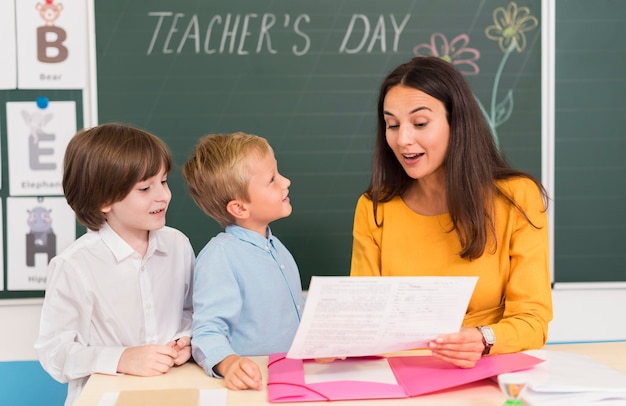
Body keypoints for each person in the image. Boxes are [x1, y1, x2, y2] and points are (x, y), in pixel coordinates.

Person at [350, 56, 553, 368]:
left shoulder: (517, 198)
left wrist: (483, 338)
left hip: (486, 370)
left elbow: (532, 319)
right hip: (400, 374)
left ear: (456, 123)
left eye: (419, 124)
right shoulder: (374, 208)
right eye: (392, 124)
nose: (403, 139)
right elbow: (364, 319)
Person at [35, 123, 194, 405]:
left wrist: (187, 338)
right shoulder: (74, 265)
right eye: (145, 188)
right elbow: (55, 353)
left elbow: (191, 310)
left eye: (164, 181)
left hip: (172, 390)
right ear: (104, 200)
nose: (163, 195)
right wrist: (121, 357)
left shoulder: (177, 245)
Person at [182, 132, 304, 391]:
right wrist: (230, 364)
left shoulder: (277, 249)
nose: (286, 182)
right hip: (257, 383)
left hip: (292, 377)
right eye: (272, 180)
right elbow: (207, 330)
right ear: (239, 208)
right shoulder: (220, 257)